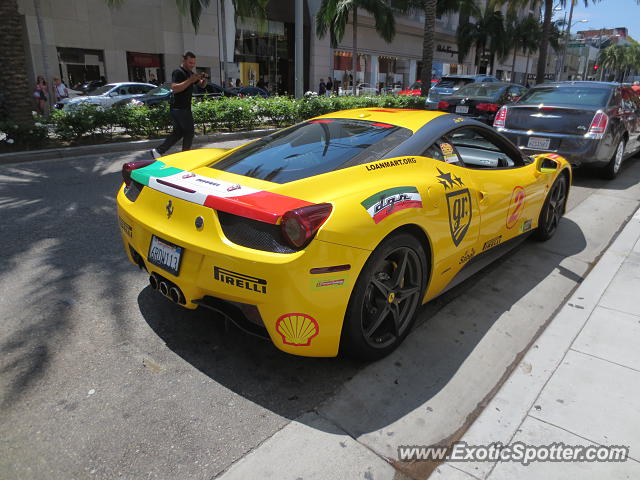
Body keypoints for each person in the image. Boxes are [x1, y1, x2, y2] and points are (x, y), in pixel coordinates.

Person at [150, 51, 207, 159]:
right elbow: (174, 88)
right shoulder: (178, 72)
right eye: (190, 63)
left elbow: (202, 85)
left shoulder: (190, 73)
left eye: (194, 63)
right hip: (180, 108)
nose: (192, 65)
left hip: (181, 109)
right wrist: (190, 80)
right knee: (189, 133)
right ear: (184, 60)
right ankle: (185, 156)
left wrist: (204, 79)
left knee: (178, 133)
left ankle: (158, 151)